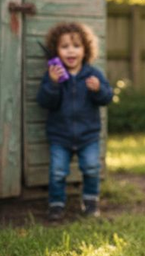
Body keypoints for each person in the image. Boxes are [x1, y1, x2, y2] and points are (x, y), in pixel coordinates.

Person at [37, 22, 113, 221]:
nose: (71, 51)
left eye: (76, 46)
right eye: (64, 46)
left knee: (91, 168)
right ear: (56, 51)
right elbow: (45, 102)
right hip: (60, 135)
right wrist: (53, 83)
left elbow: (107, 98)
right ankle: (56, 204)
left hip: (88, 135)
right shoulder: (54, 75)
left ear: (85, 49)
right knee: (58, 172)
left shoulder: (93, 74)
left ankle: (90, 202)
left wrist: (98, 90)